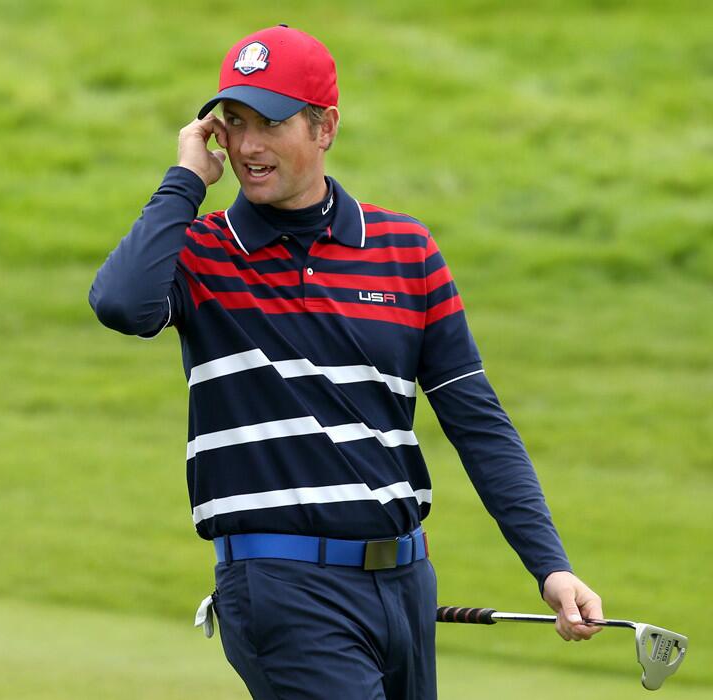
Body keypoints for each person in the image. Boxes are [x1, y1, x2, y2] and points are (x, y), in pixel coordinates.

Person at [90, 25, 603, 699]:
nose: (247, 147)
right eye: (234, 123)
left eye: (270, 124)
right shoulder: (200, 250)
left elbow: (477, 422)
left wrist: (550, 566)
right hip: (279, 585)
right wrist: (185, 179)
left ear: (324, 126)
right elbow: (120, 304)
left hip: (406, 583)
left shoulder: (405, 249)